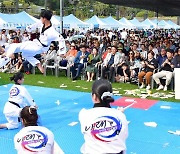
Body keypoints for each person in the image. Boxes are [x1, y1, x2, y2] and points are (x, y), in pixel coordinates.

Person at [0, 10, 66, 74]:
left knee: (16, 46)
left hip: (40, 47)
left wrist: (62, 52)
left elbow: (61, 39)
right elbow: (34, 25)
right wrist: (29, 28)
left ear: (44, 19)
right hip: (35, 43)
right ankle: (37, 63)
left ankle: (5, 55)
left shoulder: (52, 31)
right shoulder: (41, 23)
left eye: (41, 18)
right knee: (25, 54)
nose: (40, 19)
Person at [79, 79, 128, 154]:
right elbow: (123, 136)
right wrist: (119, 114)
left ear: (94, 96)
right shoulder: (120, 116)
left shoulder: (84, 114)